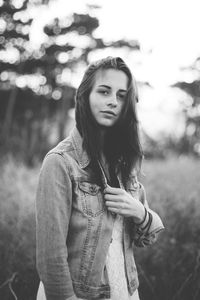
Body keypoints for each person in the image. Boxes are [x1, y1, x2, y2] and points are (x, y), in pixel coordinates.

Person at [36, 56, 164, 300]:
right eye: (104, 91)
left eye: (121, 95)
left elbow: (147, 237)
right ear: (85, 96)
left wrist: (139, 211)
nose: (113, 102)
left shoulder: (123, 163)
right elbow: (50, 258)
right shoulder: (60, 162)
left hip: (126, 291)